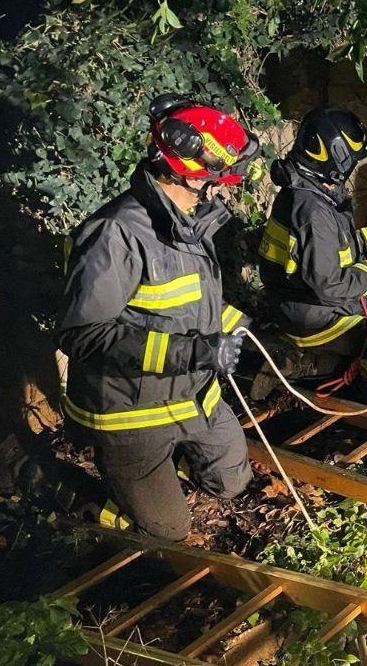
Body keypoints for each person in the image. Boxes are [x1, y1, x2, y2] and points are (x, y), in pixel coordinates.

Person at [57, 94, 261, 541]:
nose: (225, 186)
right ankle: (109, 497)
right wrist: (195, 352)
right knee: (169, 529)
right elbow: (82, 334)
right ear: (190, 172)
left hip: (192, 394)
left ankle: (168, 468)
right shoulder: (116, 234)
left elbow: (189, 301)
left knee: (232, 483)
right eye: (220, 177)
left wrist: (245, 331)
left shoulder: (190, 220)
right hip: (132, 410)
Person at [257, 107, 367, 385]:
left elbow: (331, 247)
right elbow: (330, 286)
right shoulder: (313, 210)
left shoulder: (307, 190)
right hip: (308, 315)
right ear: (337, 157)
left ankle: (320, 360)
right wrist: (366, 271)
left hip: (299, 300)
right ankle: (357, 390)